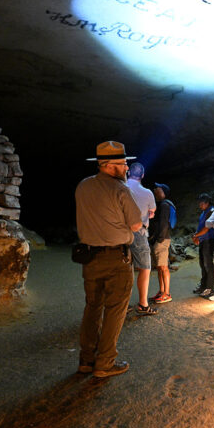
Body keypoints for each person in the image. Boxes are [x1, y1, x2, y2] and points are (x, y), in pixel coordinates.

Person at [75, 141, 142, 377]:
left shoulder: (83, 186)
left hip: (90, 258)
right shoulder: (121, 190)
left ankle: (86, 360)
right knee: (115, 310)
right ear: (110, 165)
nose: (126, 168)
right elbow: (135, 224)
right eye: (123, 164)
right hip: (116, 259)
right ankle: (105, 363)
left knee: (93, 307)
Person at [126, 162, 158, 316]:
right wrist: (148, 214)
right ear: (143, 175)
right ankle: (143, 304)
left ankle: (122, 305)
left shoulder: (121, 188)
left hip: (120, 232)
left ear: (128, 173)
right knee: (145, 268)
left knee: (124, 269)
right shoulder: (147, 193)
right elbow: (152, 211)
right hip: (139, 231)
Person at [148, 182, 175, 304]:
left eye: (158, 189)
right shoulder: (163, 204)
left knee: (163, 267)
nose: (155, 190)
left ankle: (167, 293)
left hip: (163, 240)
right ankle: (162, 291)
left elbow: (164, 224)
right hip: (162, 239)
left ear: (164, 192)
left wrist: (159, 240)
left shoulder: (164, 205)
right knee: (160, 267)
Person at [194, 193, 214, 298]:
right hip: (203, 240)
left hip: (209, 240)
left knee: (208, 264)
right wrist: (197, 236)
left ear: (207, 202)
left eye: (201, 203)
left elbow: (206, 228)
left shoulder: (211, 211)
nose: (199, 205)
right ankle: (203, 286)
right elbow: (201, 226)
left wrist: (196, 235)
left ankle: (210, 288)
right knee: (203, 264)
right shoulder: (204, 212)